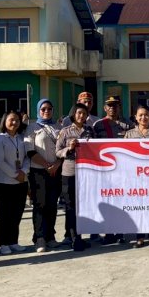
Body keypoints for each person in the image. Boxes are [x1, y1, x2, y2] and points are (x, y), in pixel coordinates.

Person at [93, 95, 133, 246]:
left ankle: (122, 232)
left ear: (119, 107)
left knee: (122, 201)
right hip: (105, 169)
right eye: (109, 105)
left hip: (123, 170)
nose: (112, 108)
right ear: (105, 108)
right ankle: (109, 233)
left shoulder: (128, 125)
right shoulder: (98, 125)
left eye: (115, 105)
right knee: (108, 201)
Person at [25, 99, 63, 253]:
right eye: (43, 109)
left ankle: (50, 236)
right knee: (40, 205)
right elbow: (30, 151)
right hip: (39, 171)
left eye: (49, 108)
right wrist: (47, 165)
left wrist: (56, 165)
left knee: (52, 205)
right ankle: (39, 237)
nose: (46, 111)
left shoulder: (58, 127)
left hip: (56, 170)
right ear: (38, 111)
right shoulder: (32, 128)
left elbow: (63, 149)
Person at [56, 103, 94, 251]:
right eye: (79, 113)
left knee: (83, 207)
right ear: (73, 114)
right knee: (70, 206)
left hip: (86, 174)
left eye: (84, 113)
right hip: (69, 173)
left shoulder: (90, 131)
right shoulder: (65, 132)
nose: (81, 116)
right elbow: (57, 152)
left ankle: (80, 235)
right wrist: (68, 148)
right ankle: (73, 238)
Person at [0, 110, 30, 255]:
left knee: (17, 213)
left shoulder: (22, 139)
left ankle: (13, 241)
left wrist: (24, 172)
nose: (14, 123)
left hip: (21, 182)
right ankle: (3, 243)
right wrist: (15, 174)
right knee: (4, 214)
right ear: (4, 121)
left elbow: (27, 158)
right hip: (4, 182)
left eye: (17, 120)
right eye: (11, 120)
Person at [125, 106, 149, 247]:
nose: (143, 118)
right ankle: (139, 236)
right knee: (138, 208)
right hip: (135, 178)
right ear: (135, 117)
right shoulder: (129, 134)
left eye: (146, 115)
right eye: (140, 115)